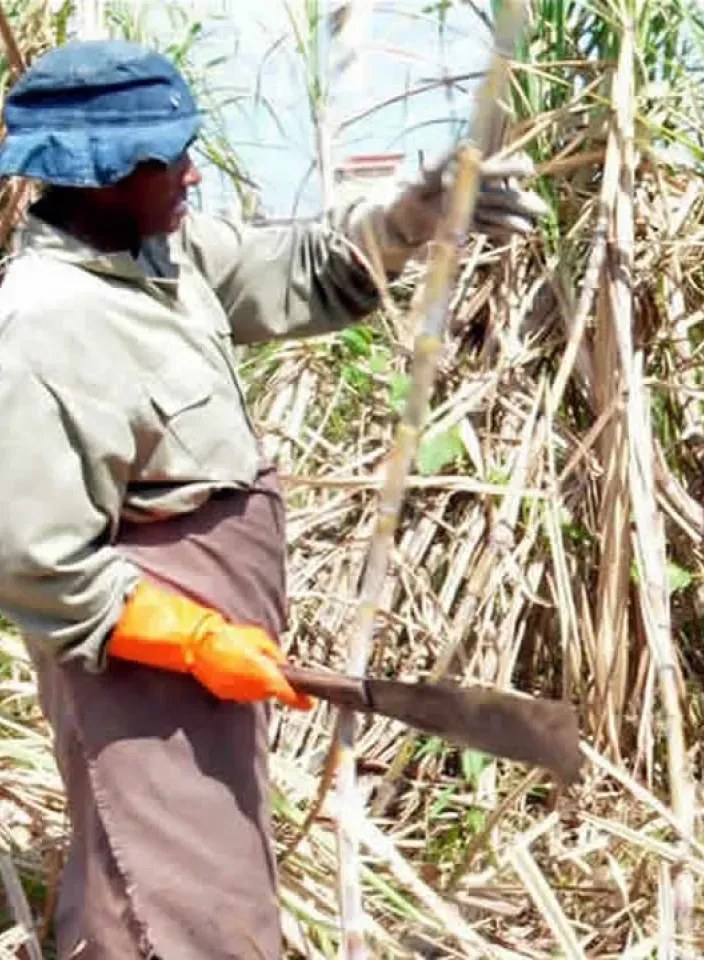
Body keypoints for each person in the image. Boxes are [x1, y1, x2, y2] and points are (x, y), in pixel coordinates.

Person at [0, 40, 547, 958]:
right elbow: (32, 562)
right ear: (104, 177)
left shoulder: (162, 258)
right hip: (139, 667)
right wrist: (196, 639)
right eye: (168, 156)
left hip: (206, 653)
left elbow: (301, 273)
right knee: (177, 911)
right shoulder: (46, 319)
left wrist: (409, 217)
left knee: (175, 888)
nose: (191, 169)